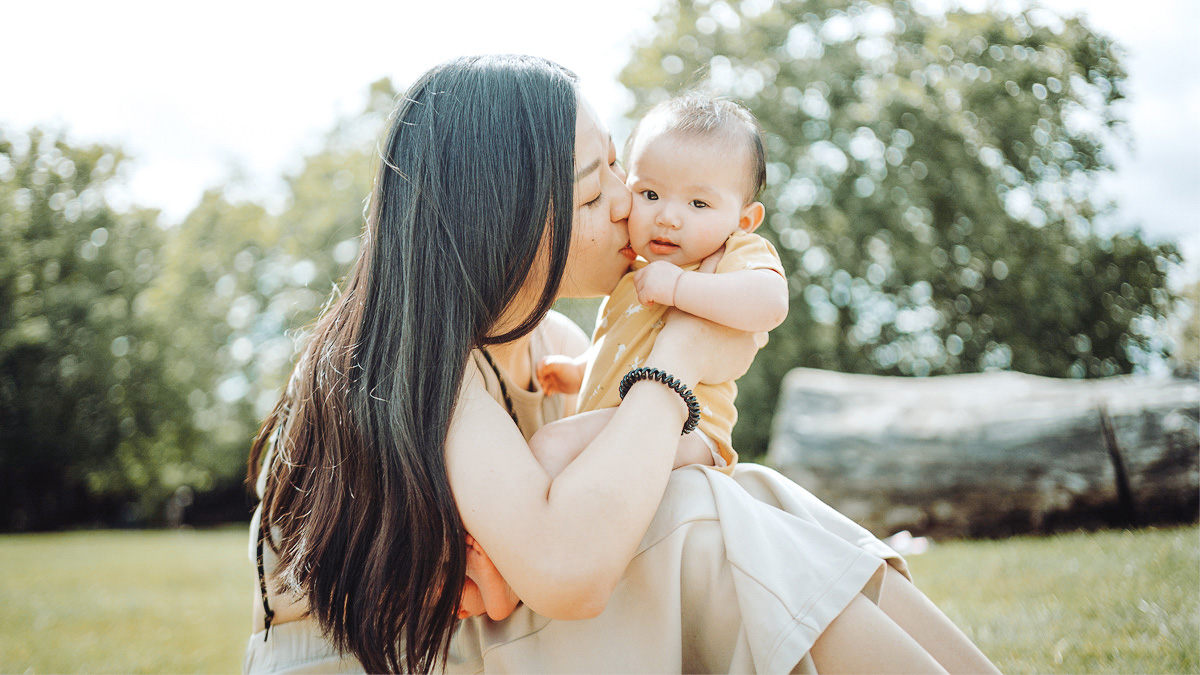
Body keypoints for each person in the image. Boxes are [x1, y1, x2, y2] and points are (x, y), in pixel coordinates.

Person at [245, 54, 999, 674]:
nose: (629, 203)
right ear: (506, 217)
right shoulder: (411, 368)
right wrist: (676, 360)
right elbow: (568, 571)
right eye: (595, 183)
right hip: (386, 662)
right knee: (693, 519)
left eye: (618, 166)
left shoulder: (552, 352)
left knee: (752, 490)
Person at [531, 92, 788, 477]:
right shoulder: (633, 274)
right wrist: (578, 371)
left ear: (744, 220)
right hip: (626, 419)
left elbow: (770, 303)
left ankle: (505, 533)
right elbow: (620, 348)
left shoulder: (735, 252)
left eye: (698, 204)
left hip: (690, 429)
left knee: (552, 445)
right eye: (650, 194)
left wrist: (680, 288)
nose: (668, 217)